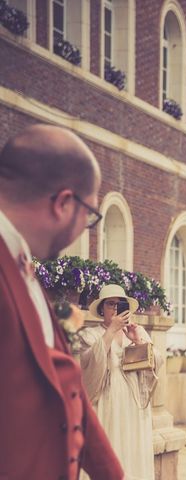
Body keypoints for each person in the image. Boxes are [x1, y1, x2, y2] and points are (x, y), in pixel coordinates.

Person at [0, 124, 124, 479]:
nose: (84, 227)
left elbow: (65, 386)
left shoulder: (21, 263)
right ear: (64, 203)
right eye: (89, 216)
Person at [76, 284, 160, 479]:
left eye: (119, 304)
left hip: (133, 406)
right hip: (106, 403)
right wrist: (110, 332)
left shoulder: (137, 332)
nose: (115, 309)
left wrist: (138, 342)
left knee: (132, 450)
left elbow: (157, 360)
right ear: (101, 309)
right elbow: (87, 362)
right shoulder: (90, 334)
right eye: (110, 304)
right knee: (110, 448)